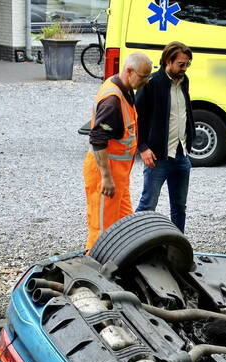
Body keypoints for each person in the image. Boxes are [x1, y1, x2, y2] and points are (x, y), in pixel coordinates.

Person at [83, 52, 153, 250]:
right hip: (105, 176)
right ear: (129, 71)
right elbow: (97, 139)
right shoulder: (112, 100)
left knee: (123, 226)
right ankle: (95, 273)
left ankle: (118, 264)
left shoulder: (126, 89)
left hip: (119, 176)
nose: (146, 81)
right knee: (102, 230)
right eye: (143, 77)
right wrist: (106, 177)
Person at [134, 41, 195, 233]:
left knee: (179, 207)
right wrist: (142, 147)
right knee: (147, 206)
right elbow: (136, 117)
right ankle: (135, 245)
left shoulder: (184, 81)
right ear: (168, 61)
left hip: (181, 155)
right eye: (181, 64)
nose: (184, 68)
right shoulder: (152, 83)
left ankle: (177, 248)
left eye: (187, 64)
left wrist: (189, 139)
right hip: (158, 158)